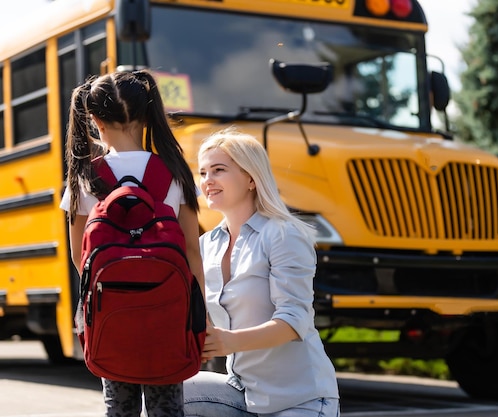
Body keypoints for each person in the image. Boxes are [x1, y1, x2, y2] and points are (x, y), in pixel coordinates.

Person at [60, 70, 204, 417]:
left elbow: (81, 257)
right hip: (169, 311)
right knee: (167, 407)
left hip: (111, 312)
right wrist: (202, 317)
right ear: (147, 114)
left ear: (94, 120)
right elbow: (191, 252)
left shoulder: (85, 176)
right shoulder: (174, 172)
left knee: (119, 407)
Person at [184, 127, 340, 417]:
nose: (208, 181)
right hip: (243, 395)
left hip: (299, 400)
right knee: (163, 397)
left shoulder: (283, 235)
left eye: (218, 170)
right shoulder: (205, 245)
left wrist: (229, 341)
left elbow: (294, 322)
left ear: (251, 178)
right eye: (203, 173)